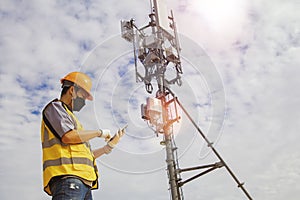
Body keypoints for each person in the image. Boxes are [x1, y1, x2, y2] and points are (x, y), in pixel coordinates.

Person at [41, 71, 125, 200]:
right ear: (72, 90)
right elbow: (68, 136)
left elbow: (87, 156)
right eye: (83, 96)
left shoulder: (73, 119)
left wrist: (109, 147)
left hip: (84, 183)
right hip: (68, 178)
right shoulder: (55, 108)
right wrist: (99, 133)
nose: (84, 101)